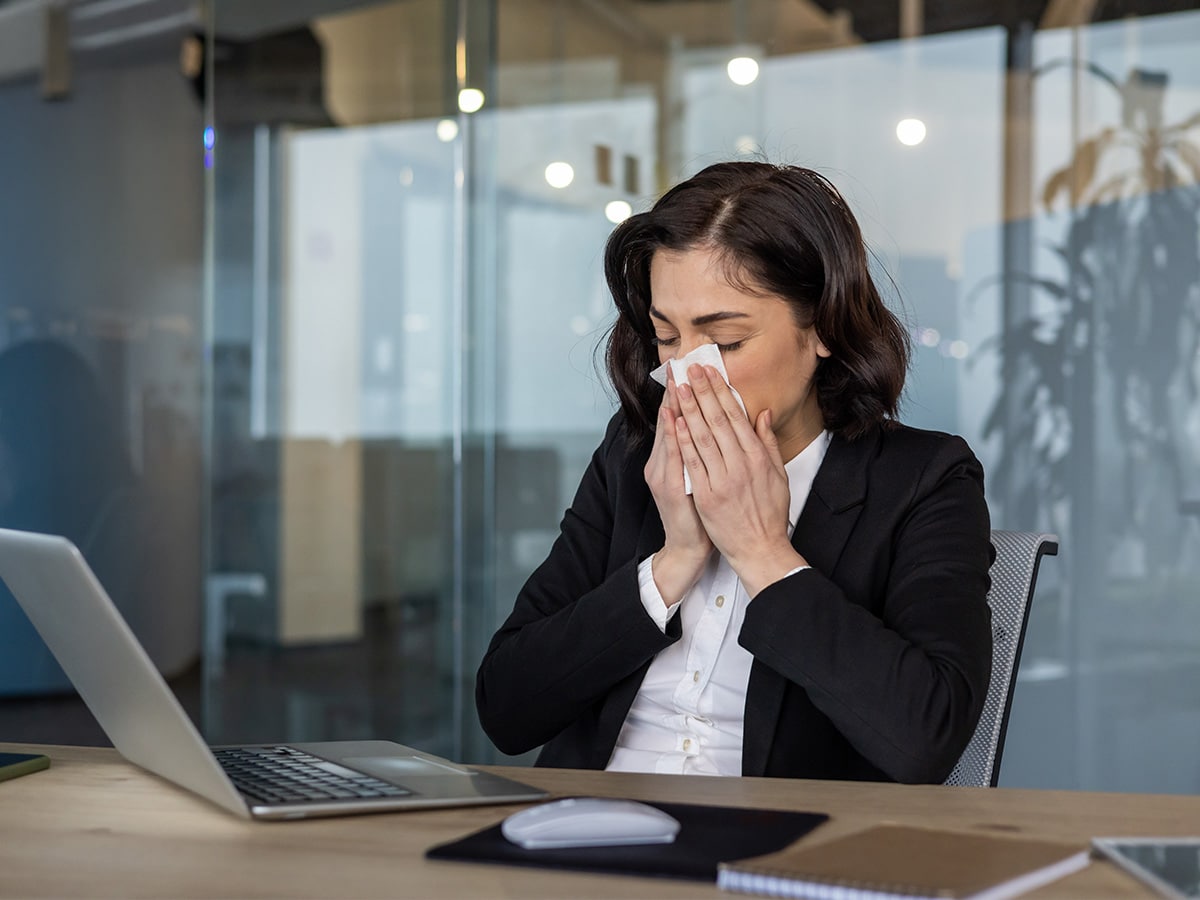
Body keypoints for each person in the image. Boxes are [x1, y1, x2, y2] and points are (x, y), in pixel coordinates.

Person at [475, 162, 993, 784]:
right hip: (587, 824)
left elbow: (924, 743)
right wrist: (674, 559)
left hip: (775, 847)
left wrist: (762, 552)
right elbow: (506, 710)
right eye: (667, 337)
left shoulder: (922, 479)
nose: (690, 373)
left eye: (725, 343)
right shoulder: (634, 457)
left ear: (823, 325)